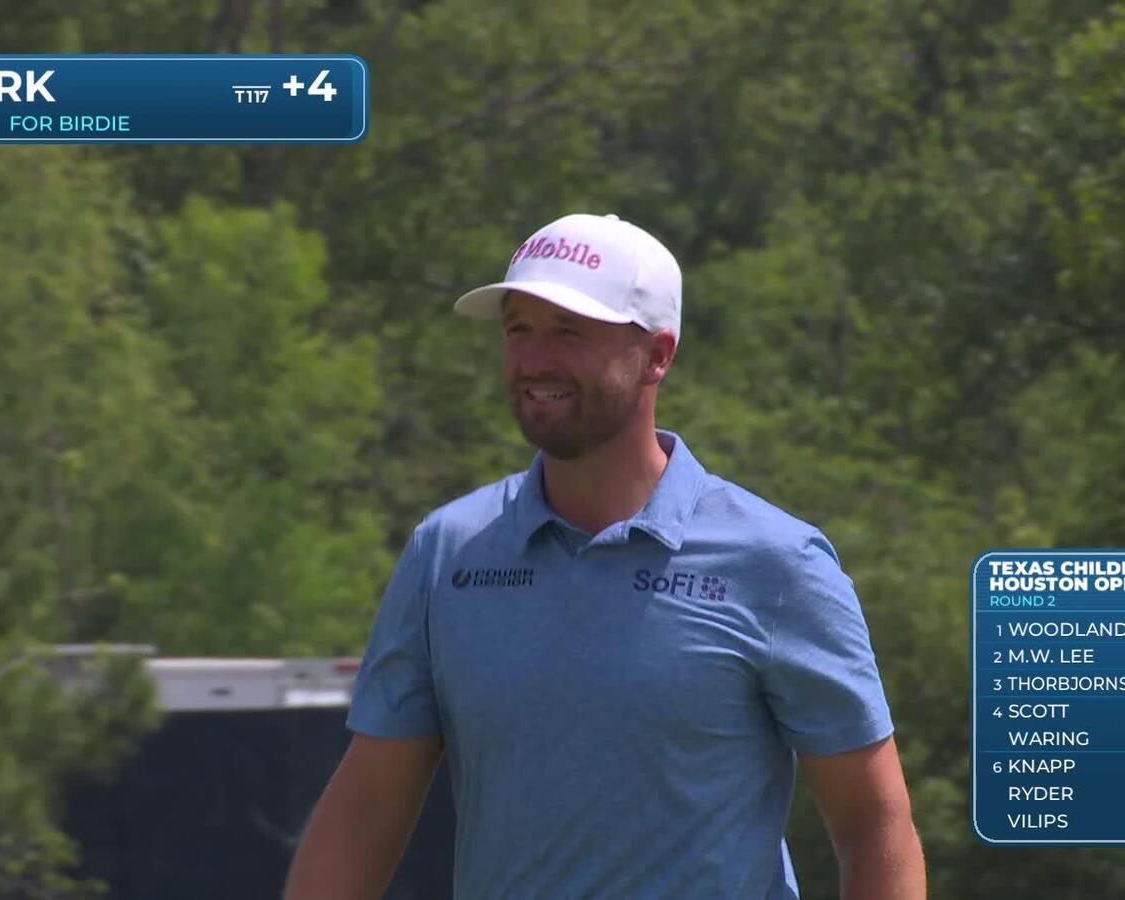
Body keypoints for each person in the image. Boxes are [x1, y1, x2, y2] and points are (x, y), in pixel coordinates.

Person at [286, 213, 926, 899]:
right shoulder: (447, 554)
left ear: (658, 355)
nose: (535, 360)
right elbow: (365, 812)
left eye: (570, 331)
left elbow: (874, 823)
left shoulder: (777, 562)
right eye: (518, 330)